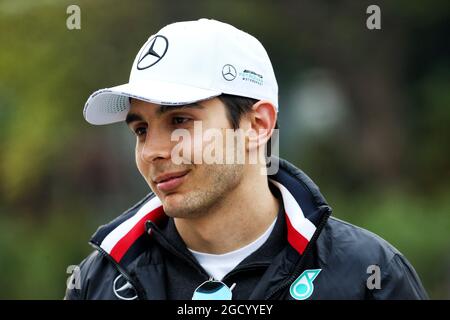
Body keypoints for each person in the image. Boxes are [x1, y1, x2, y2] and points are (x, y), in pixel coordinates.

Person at [65, 18, 428, 300]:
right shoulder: (97, 282)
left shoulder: (370, 273)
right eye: (141, 129)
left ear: (258, 125)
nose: (152, 151)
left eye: (180, 120)